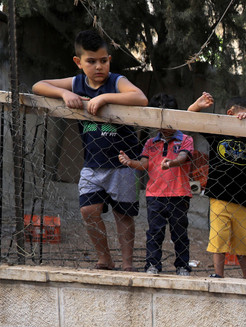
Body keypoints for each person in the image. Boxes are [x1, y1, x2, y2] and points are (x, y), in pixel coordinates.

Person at [31, 29, 148, 271]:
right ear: (78, 62)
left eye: (103, 61)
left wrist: (105, 98)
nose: (98, 67)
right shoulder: (77, 83)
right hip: (92, 164)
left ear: (109, 60)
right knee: (88, 209)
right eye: (91, 61)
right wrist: (64, 93)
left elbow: (141, 98)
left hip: (124, 163)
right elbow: (38, 86)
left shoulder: (117, 82)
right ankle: (104, 257)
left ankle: (127, 264)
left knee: (123, 216)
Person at [118, 93, 193, 276]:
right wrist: (130, 162)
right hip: (154, 195)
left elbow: (184, 157)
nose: (164, 127)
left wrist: (172, 162)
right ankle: (152, 265)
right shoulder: (151, 143)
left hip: (179, 194)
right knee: (154, 232)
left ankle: (182, 266)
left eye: (167, 121)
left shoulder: (185, 139)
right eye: (159, 122)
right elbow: (144, 164)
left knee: (179, 233)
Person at [187, 92, 246, 279]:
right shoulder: (218, 133)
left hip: (243, 199)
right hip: (219, 196)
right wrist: (197, 105)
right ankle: (218, 274)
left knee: (243, 241)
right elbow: (190, 118)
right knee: (218, 238)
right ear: (230, 114)